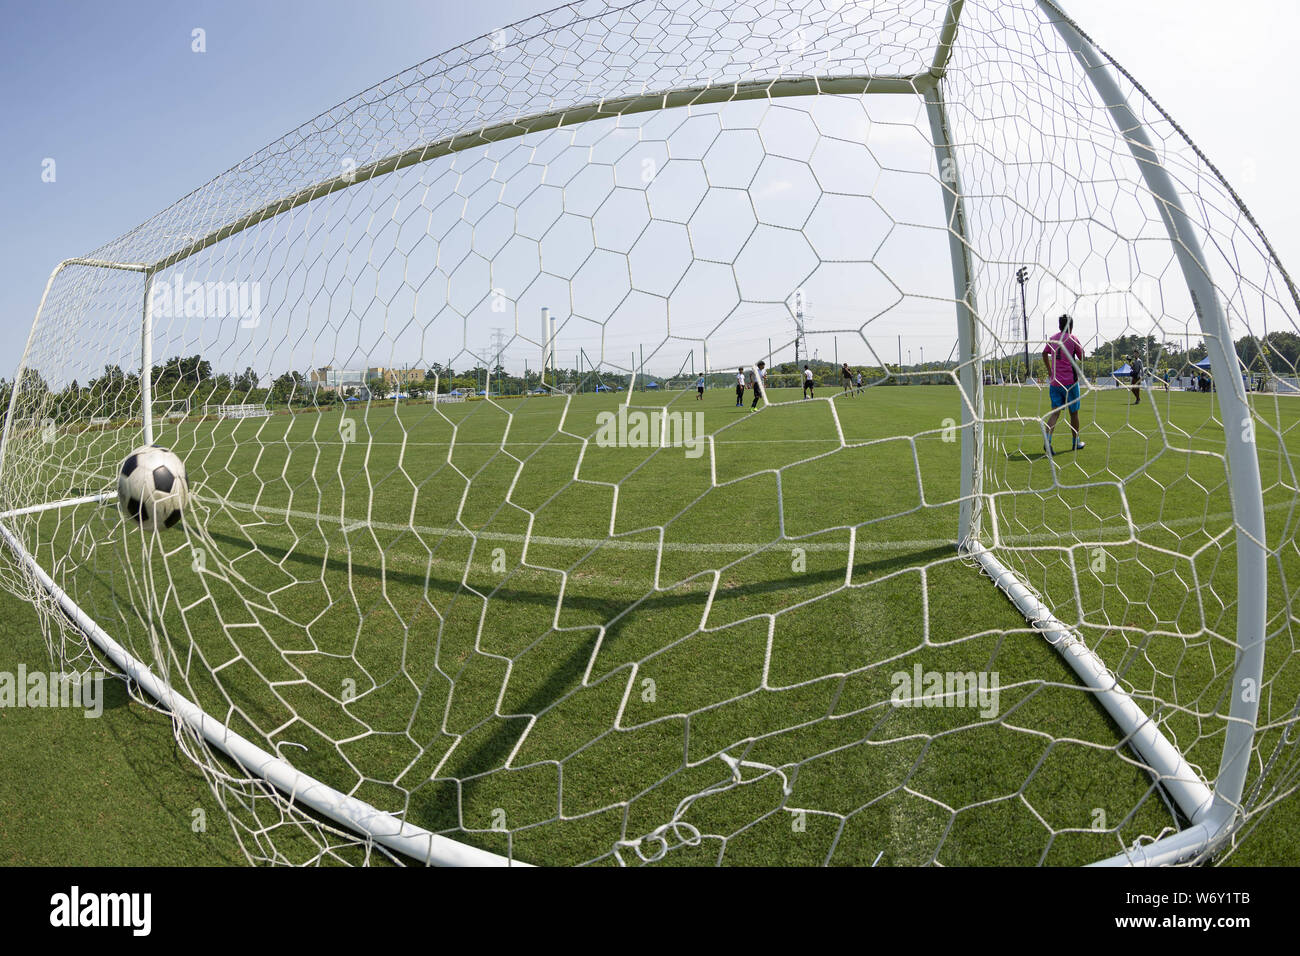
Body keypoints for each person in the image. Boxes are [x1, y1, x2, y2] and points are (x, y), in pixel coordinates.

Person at [1042, 314, 1085, 455]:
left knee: (1055, 413)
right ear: (1071, 327)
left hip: (1055, 382)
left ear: (1059, 325)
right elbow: (1082, 357)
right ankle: (1076, 442)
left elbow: (1044, 353)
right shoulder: (1073, 339)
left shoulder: (1053, 338)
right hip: (1071, 383)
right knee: (1074, 413)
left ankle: (1047, 442)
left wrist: (1050, 370)